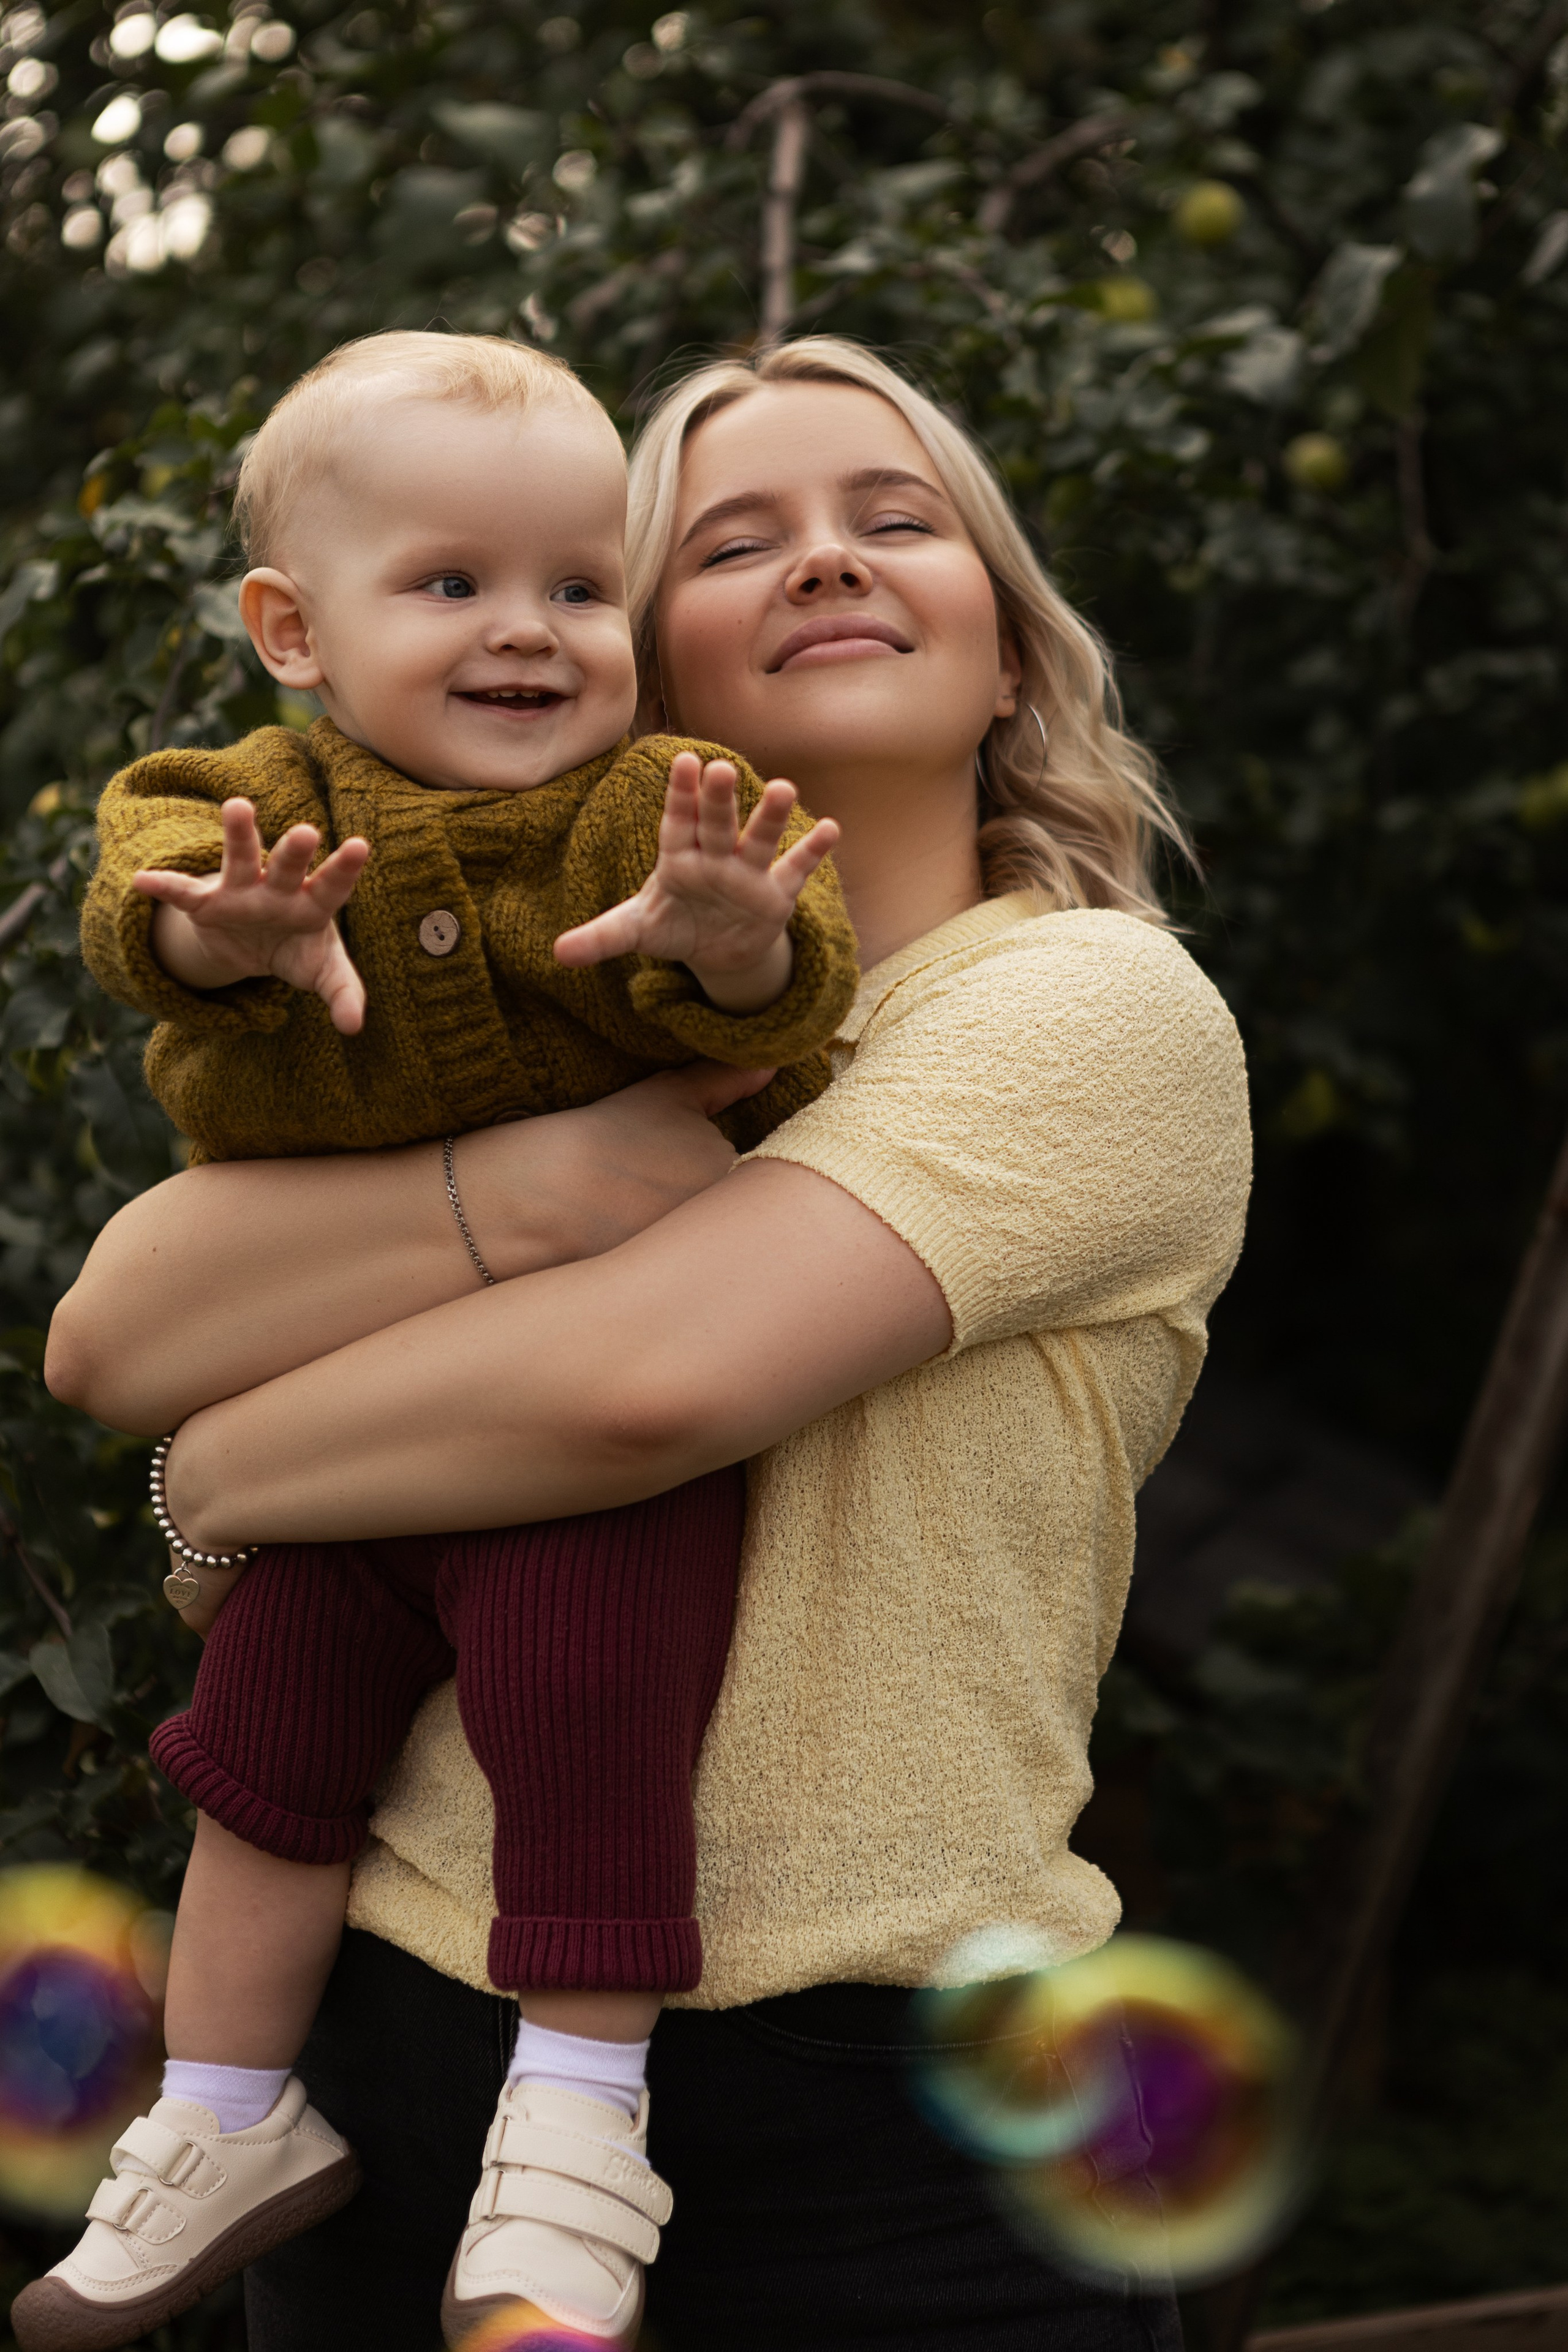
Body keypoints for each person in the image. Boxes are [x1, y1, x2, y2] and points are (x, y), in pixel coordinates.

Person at [43, 336, 1253, 2352]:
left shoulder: (1084, 1013)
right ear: (645, 674)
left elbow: (640, 1394)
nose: (825, 563)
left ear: (1013, 649)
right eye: (733, 538)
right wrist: (544, 1178)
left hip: (871, 2112)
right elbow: (111, 1331)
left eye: (896, 521)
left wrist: (228, 1475)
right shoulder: (521, 1052)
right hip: (398, 2040)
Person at [18, 331, 853, 2352]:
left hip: (569, 1435)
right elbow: (140, 885)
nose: (531, 635)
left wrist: (725, 931)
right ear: (293, 631)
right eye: (454, 585)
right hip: (338, 1430)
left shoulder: (638, 806)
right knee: (263, 1760)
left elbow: (776, 979)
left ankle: (579, 2125)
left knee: (592, 1719)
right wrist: (231, 933)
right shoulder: (264, 803)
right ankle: (222, 2113)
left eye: (580, 589)